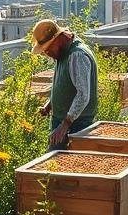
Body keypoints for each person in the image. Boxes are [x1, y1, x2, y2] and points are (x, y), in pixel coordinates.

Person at [30, 19, 98, 150]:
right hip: (63, 122)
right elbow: (64, 83)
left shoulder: (77, 55)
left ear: (59, 39)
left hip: (77, 125)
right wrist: (50, 104)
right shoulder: (62, 52)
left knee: (69, 166)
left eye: (48, 48)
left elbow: (83, 95)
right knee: (52, 165)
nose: (47, 53)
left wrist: (65, 125)